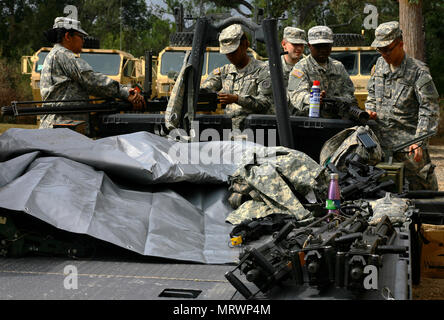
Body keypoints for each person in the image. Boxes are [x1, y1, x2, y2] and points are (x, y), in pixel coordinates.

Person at [365, 21, 440, 191]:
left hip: (409, 147)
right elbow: (371, 94)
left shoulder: (419, 71)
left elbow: (429, 109)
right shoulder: (379, 66)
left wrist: (419, 140)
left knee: (425, 200)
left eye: (387, 49)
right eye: (380, 49)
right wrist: (370, 110)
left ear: (400, 44)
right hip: (380, 147)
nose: (383, 54)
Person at [39, 17, 144, 134]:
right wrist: (126, 93)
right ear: (68, 36)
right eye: (81, 37)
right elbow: (92, 80)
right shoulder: (63, 55)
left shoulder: (55, 54)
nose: (83, 41)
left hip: (59, 127)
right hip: (63, 129)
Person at [200, 24, 274, 132]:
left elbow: (265, 103)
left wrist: (236, 99)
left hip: (255, 132)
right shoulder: (225, 72)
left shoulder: (263, 70)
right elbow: (205, 89)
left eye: (233, 52)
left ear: (245, 45)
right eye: (227, 53)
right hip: (228, 132)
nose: (230, 56)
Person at [287, 26, 357, 117]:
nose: (323, 50)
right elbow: (296, 94)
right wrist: (313, 99)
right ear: (309, 46)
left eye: (326, 46)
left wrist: (337, 100)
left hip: (336, 121)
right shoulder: (299, 69)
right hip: (309, 122)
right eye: (318, 46)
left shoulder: (338, 67)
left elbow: (349, 93)